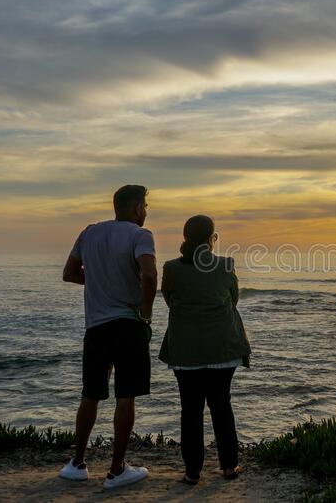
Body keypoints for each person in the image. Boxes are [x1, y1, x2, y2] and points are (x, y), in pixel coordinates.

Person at [59, 184, 157, 489]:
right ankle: (116, 470)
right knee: (124, 397)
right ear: (136, 207)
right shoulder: (141, 235)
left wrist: (101, 279)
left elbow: (70, 273)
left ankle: (77, 463)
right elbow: (151, 275)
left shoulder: (89, 232)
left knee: (90, 395)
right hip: (128, 324)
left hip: (96, 327)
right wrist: (146, 310)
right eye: (145, 207)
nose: (145, 212)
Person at [158, 215, 251, 484]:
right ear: (213, 239)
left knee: (190, 409)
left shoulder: (172, 268)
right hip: (223, 347)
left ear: (185, 238)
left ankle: (192, 472)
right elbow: (233, 299)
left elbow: (170, 300)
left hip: (186, 349)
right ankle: (229, 466)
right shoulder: (225, 265)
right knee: (221, 404)